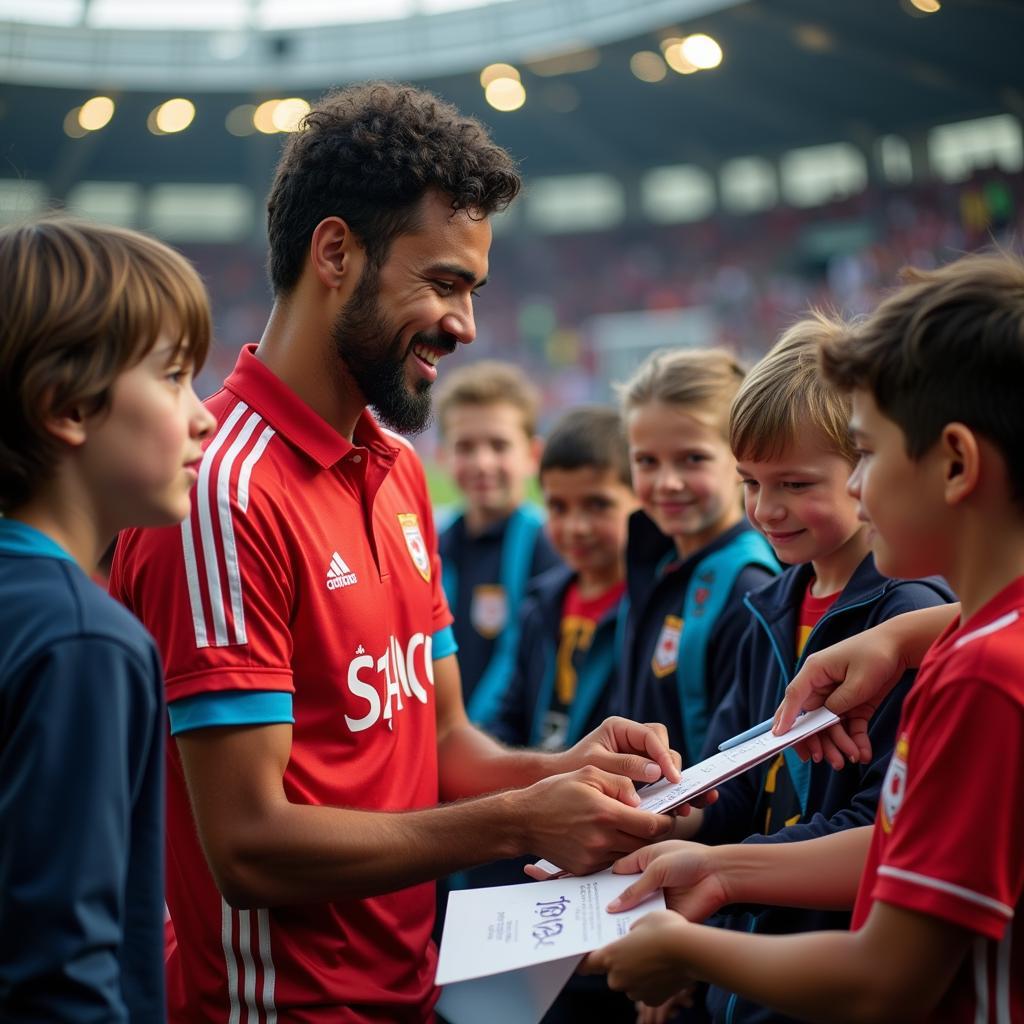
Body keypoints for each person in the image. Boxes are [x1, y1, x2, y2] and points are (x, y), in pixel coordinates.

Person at [109, 82, 679, 1023]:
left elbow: (444, 747)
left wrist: (570, 776)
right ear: (335, 252)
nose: (464, 325)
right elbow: (247, 849)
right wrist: (520, 821)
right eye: (443, 283)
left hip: (414, 995)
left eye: (471, 290)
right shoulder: (219, 492)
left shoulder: (401, 473)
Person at [583, 252, 1024, 1021]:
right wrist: (692, 840)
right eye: (752, 482)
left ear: (955, 463)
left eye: (870, 455)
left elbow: (885, 977)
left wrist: (694, 935)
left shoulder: (981, 672)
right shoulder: (951, 638)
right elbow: (887, 840)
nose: (857, 486)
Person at [0, 217, 215, 1021]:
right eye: (174, 377)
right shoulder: (84, 640)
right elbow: (61, 977)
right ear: (67, 406)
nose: (206, 416)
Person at [616, 348, 779, 768]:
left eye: (693, 459)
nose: (667, 482)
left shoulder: (749, 587)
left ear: (741, 459)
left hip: (695, 830)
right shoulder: (656, 564)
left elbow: (738, 773)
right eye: (647, 461)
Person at [490, 405, 636, 752]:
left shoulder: (652, 611)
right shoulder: (541, 603)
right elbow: (510, 716)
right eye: (558, 508)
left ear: (642, 498)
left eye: (597, 505)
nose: (576, 527)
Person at [435, 359, 561, 723]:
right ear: (443, 456)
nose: (482, 463)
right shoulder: (431, 547)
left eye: (499, 445)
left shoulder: (549, 547)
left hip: (514, 758)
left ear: (532, 455)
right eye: (466, 447)